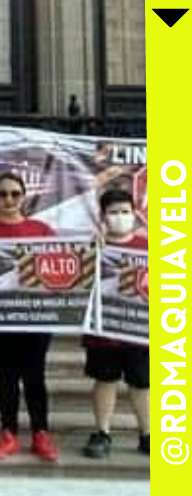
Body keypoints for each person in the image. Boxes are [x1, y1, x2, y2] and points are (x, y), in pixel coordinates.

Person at [0, 172, 59, 462]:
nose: (9, 199)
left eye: (15, 194)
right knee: (6, 376)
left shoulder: (42, 230)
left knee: (34, 375)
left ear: (24, 197)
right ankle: (8, 433)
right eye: (3, 193)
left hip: (36, 316)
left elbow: (58, 269)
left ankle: (40, 434)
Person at [82, 189, 150, 459]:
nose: (120, 217)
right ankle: (102, 433)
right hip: (103, 330)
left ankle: (147, 435)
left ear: (134, 213)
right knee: (105, 379)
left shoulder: (150, 248)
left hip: (139, 330)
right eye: (114, 212)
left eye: (125, 211)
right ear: (103, 216)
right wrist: (91, 249)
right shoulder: (92, 245)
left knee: (142, 383)